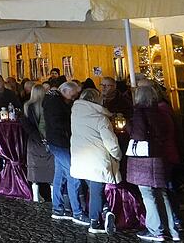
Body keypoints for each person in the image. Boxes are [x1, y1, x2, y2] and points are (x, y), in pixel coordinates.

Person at [126, 86, 180, 241]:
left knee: (148, 194)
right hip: (159, 156)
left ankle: (156, 230)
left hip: (144, 159)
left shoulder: (140, 112)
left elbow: (139, 134)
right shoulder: (161, 111)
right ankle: (171, 229)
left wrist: (128, 126)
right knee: (161, 193)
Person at [69, 88, 120, 235]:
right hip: (97, 160)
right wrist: (118, 155)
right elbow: (111, 142)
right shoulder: (100, 118)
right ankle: (95, 222)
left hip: (80, 159)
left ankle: (105, 209)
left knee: (94, 189)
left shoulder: (76, 113)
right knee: (96, 191)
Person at [45, 80, 84, 223]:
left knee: (60, 176)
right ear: (65, 91)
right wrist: (70, 124)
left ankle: (58, 208)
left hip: (56, 141)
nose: (73, 99)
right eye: (72, 96)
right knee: (73, 175)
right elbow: (57, 122)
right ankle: (77, 211)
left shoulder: (52, 99)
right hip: (60, 141)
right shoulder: (55, 102)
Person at [22, 84, 54, 202]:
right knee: (50, 167)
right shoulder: (47, 106)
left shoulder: (27, 106)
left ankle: (36, 194)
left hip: (34, 140)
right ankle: (52, 194)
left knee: (34, 167)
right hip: (47, 140)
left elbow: (26, 124)